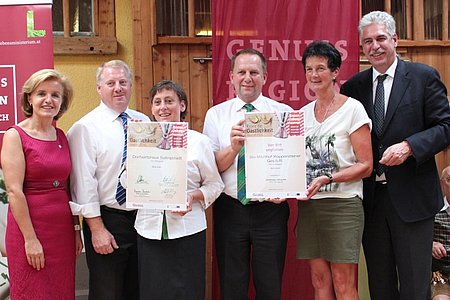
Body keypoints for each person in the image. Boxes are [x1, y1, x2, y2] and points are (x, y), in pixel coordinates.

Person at [340, 11, 450, 300]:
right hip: (371, 202)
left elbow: (446, 127)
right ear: (361, 46)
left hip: (414, 200)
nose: (375, 46)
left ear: (395, 40)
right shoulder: (352, 88)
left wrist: (410, 147)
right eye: (367, 41)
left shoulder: (423, 77)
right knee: (380, 286)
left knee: (415, 287)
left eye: (380, 38)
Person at [203, 48, 292, 299]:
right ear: (231, 77)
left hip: (270, 211)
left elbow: (290, 163)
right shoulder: (216, 115)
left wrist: (284, 189)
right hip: (231, 209)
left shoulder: (283, 113)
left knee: (270, 285)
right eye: (241, 72)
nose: (247, 78)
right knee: (232, 285)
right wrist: (233, 148)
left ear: (265, 76)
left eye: (254, 72)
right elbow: (213, 168)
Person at [296, 41, 373, 300]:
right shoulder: (301, 115)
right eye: (309, 69)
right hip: (310, 206)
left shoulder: (353, 109)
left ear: (335, 72)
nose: (314, 75)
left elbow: (366, 165)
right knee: (319, 280)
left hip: (343, 205)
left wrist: (329, 177)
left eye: (320, 68)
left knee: (343, 282)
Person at [68, 60, 150, 300]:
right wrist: (97, 229)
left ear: (131, 86)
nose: (118, 88)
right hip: (108, 220)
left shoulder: (143, 122)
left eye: (123, 82)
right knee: (108, 292)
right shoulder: (85, 128)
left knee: (138, 290)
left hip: (143, 219)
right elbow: (83, 183)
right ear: (98, 88)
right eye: (111, 83)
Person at [134, 80, 224, 300]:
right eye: (157, 102)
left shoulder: (199, 142)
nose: (163, 107)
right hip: (148, 228)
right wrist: (135, 166)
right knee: (152, 292)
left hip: (187, 230)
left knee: (186, 291)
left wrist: (192, 196)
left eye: (169, 101)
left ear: (182, 105)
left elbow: (215, 184)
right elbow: (128, 184)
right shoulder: (139, 141)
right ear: (152, 109)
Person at [1, 69, 83, 299]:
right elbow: (14, 191)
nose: (49, 100)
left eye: (56, 95)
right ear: (29, 98)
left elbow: (68, 187)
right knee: (32, 291)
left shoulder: (61, 137)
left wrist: (76, 229)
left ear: (62, 102)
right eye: (41, 94)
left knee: (61, 290)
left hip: (62, 232)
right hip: (30, 230)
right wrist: (30, 239)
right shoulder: (15, 135)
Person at [431, 166, 450, 300]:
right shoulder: (432, 210)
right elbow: (416, 239)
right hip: (440, 272)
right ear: (442, 182)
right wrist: (430, 244)